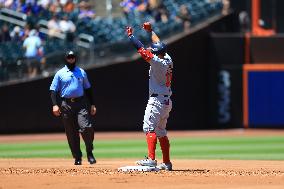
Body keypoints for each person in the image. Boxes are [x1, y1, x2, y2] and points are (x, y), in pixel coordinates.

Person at [126, 22, 173, 171]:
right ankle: (166, 162)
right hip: (166, 101)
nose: (151, 51)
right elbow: (157, 43)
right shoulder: (168, 58)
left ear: (157, 53)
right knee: (161, 132)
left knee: (148, 127)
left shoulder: (158, 62)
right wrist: (151, 31)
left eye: (153, 51)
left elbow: (141, 50)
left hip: (157, 100)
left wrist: (131, 36)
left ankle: (151, 159)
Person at [49, 50, 97, 165]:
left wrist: (92, 104)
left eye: (73, 57)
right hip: (66, 105)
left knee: (86, 128)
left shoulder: (81, 72)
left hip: (81, 104)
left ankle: (89, 152)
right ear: (65, 59)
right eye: (69, 57)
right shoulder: (60, 73)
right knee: (71, 132)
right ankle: (77, 157)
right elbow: (53, 90)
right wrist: (55, 104)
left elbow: (88, 89)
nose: (71, 59)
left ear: (75, 58)